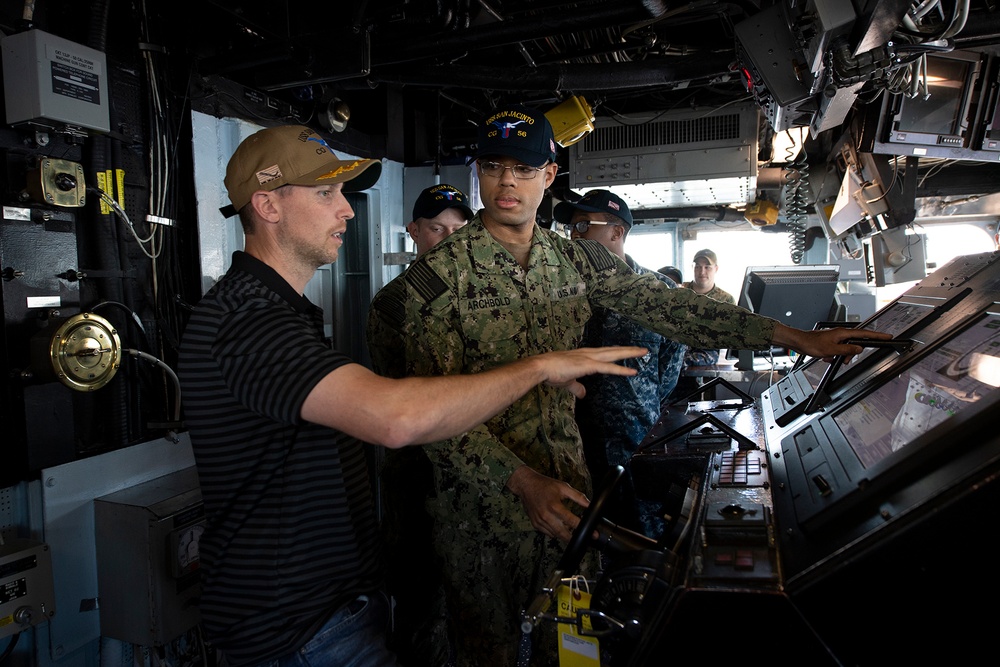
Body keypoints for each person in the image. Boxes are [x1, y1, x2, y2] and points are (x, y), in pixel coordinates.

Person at [370, 104, 887, 666]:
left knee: (572, 647)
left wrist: (791, 336)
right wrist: (519, 481)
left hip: (567, 491)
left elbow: (672, 307)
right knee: (489, 653)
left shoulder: (576, 260)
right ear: (479, 173)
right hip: (481, 513)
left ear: (548, 174)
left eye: (522, 168)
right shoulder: (436, 282)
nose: (506, 182)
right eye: (493, 166)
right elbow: (432, 420)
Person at [177, 124, 647, 667]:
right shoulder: (247, 322)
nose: (348, 211)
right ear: (267, 205)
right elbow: (396, 418)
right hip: (298, 630)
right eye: (326, 193)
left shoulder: (280, 312)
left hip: (328, 612)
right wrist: (539, 367)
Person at [366, 183, 473, 667]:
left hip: (482, 484)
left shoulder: (487, 295)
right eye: (436, 229)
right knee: (421, 606)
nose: (449, 240)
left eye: (459, 229)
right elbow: (409, 400)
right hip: (421, 479)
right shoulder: (396, 304)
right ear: (413, 232)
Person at [557, 188, 685, 539]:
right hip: (573, 441)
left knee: (643, 537)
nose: (574, 235)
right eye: (571, 227)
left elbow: (670, 369)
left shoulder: (657, 292)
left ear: (617, 232)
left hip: (636, 441)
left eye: (584, 226)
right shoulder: (562, 294)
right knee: (584, 539)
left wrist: (637, 406)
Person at [679, 248, 735, 368]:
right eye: (697, 267)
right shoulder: (679, 291)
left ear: (716, 268)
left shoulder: (725, 300)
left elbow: (728, 334)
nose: (702, 272)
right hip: (676, 348)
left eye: (707, 267)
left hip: (705, 353)